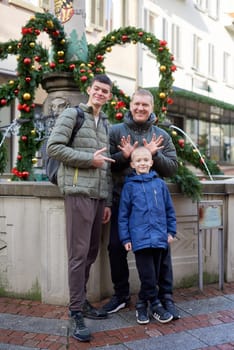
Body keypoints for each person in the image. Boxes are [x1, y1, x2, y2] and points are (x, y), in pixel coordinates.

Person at [46, 74, 114, 342]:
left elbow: (105, 163)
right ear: (89, 89)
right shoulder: (73, 115)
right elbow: (54, 147)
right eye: (97, 88)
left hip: (97, 197)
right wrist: (88, 160)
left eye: (105, 91)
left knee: (91, 252)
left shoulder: (104, 123)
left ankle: (82, 300)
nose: (100, 93)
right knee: (77, 254)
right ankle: (75, 312)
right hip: (77, 193)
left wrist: (107, 200)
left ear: (109, 96)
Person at [102, 88, 180, 320]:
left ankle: (165, 297)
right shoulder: (115, 132)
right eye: (137, 104)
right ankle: (121, 295)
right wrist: (124, 157)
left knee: (161, 251)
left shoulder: (161, 136)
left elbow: (174, 168)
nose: (140, 108)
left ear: (151, 108)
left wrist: (154, 154)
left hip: (154, 206)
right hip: (122, 203)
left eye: (145, 105)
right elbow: (105, 165)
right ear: (130, 105)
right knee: (116, 247)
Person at [118, 146, 177, 324]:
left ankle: (142, 304)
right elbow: (123, 216)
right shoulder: (129, 187)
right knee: (148, 276)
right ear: (132, 164)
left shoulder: (159, 184)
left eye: (145, 160)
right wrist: (126, 238)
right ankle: (156, 305)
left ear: (151, 162)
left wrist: (171, 231)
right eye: (138, 161)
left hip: (159, 238)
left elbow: (169, 210)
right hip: (140, 240)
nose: (142, 163)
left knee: (155, 274)